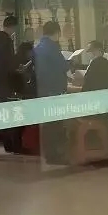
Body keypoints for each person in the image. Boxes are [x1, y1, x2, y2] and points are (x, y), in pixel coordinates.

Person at [34, 21, 71, 164]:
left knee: (48, 124)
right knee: (55, 124)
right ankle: (54, 155)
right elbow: (62, 66)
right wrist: (70, 62)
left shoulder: (38, 47)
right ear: (57, 32)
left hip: (43, 89)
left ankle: (49, 153)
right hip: (54, 89)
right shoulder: (52, 47)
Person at [0, 16, 21, 153]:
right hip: (5, 80)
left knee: (3, 112)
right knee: (9, 111)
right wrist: (17, 68)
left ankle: (7, 143)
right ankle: (12, 144)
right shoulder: (6, 40)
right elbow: (8, 62)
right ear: (13, 27)